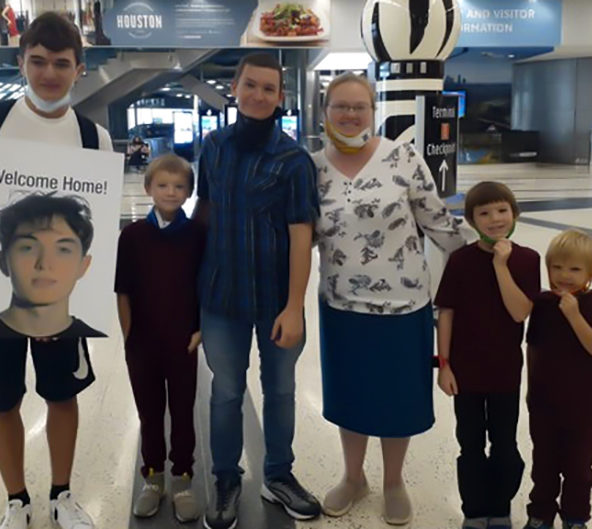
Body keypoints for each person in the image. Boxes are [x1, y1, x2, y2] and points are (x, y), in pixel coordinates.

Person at [312, 72, 467, 525]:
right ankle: (354, 475)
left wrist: (486, 258)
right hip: (341, 307)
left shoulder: (402, 157)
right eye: (340, 105)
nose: (349, 114)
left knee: (399, 398)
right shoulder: (313, 167)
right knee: (351, 394)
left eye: (359, 106)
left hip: (404, 306)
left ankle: (393, 480)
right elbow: (299, 236)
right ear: (325, 111)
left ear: (372, 111)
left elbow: (439, 223)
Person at [0, 11, 112, 529]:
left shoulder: (93, 138)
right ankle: (16, 498)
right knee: (1, 401)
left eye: (61, 63)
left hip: (61, 300)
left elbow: (97, 232)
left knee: (62, 395)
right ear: (21, 62)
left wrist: (62, 309)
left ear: (79, 69)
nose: (48, 73)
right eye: (37, 61)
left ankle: (61, 494)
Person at [193, 52, 321, 529]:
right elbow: (203, 214)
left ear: (280, 96)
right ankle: (226, 478)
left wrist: (294, 307)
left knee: (281, 390)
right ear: (235, 87)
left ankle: (278, 475)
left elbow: (301, 235)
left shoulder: (293, 161)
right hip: (221, 296)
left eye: (269, 88)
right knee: (226, 392)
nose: (259, 95)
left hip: (275, 301)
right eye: (251, 85)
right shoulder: (214, 147)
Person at [435, 181, 541, 529]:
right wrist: (444, 365)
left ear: (514, 213)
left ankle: (499, 506)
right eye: (484, 213)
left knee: (505, 447)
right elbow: (446, 313)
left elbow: (519, 312)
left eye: (501, 210)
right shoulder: (460, 261)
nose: (495, 219)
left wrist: (501, 265)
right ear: (471, 220)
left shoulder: (527, 259)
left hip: (504, 371)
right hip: (464, 369)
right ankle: (474, 511)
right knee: (470, 446)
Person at [114, 154, 205, 523]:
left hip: (183, 340)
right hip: (143, 343)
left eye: (179, 186)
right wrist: (128, 336)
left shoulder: (198, 235)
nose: (170, 192)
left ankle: (182, 477)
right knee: (149, 413)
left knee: (183, 411)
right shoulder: (133, 236)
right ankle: (152, 478)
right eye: (163, 185)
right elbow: (123, 291)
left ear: (189, 193)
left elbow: (204, 287)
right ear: (148, 188)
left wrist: (200, 329)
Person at [523, 229, 592, 529]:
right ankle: (540, 513)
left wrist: (575, 316)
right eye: (557, 267)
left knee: (579, 467)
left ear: (589, 273)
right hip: (544, 401)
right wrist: (531, 391)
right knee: (544, 463)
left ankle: (576, 516)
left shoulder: (588, 305)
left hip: (584, 404)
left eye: (575, 269)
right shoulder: (542, 303)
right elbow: (532, 346)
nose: (564, 275)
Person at [0, 192, 103, 339]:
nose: (44, 264)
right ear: (2, 261)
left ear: (84, 265)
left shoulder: (94, 340)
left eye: (63, 250)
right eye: (28, 248)